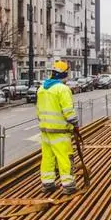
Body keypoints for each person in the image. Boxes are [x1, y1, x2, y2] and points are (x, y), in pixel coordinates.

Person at [36, 60, 79, 195]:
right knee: (64, 157)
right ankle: (68, 185)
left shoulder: (42, 88)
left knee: (47, 157)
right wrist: (75, 124)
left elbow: (38, 110)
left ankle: (48, 183)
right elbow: (68, 111)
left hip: (45, 130)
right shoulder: (62, 89)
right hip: (60, 131)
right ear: (64, 73)